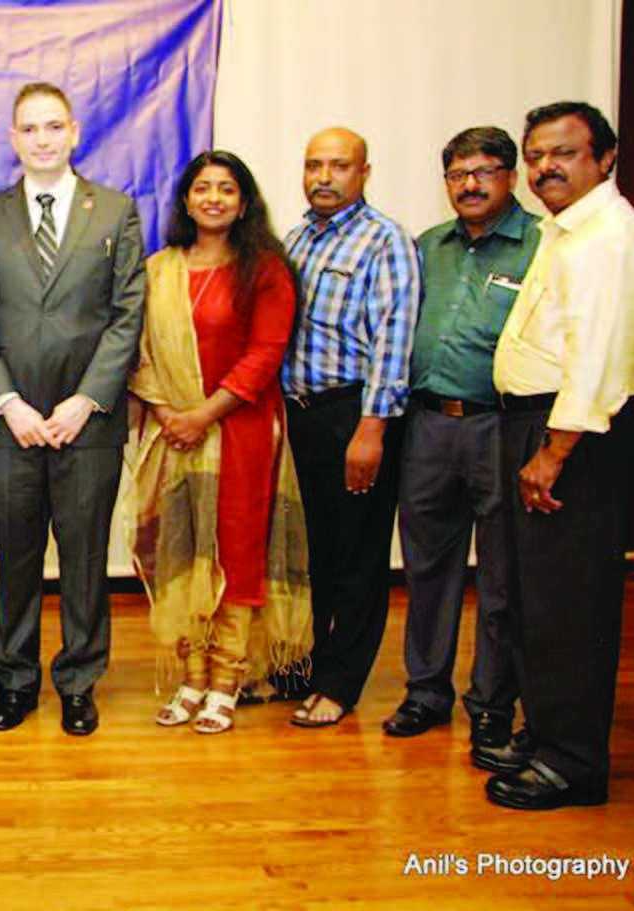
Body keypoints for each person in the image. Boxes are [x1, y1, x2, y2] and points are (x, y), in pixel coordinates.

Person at [485, 102, 634, 810]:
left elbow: (594, 361)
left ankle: (572, 763)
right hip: (545, 427)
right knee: (536, 602)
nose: (543, 168)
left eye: (562, 153)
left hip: (575, 436)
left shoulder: (608, 240)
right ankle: (548, 731)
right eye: (534, 155)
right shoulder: (566, 232)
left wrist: (554, 450)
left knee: (570, 606)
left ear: (605, 157)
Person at [0, 82, 145, 736]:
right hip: (6, 424)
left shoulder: (115, 211)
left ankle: (77, 680)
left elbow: (128, 315)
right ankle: (13, 676)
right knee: (11, 559)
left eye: (51, 126)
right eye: (28, 129)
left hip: (85, 423)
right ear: (12, 139)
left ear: (73, 132)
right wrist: (6, 401)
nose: (40, 138)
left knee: (84, 558)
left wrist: (86, 399)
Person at [131, 150, 313, 734]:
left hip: (241, 431)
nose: (213, 198)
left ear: (243, 202)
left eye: (226, 189)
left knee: (236, 552)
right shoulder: (159, 269)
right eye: (202, 188)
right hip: (173, 433)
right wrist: (167, 414)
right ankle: (191, 674)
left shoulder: (263, 269)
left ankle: (229, 678)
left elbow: (265, 355)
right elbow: (139, 352)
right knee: (183, 550)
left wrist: (202, 416)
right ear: (185, 199)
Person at [383, 127, 535, 756]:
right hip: (427, 428)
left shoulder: (541, 248)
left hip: (500, 428)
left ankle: (493, 706)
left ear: (512, 176)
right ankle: (426, 692)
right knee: (428, 571)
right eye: (457, 174)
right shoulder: (428, 246)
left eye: (485, 171)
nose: (470, 185)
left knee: (502, 578)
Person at [280, 127, 419, 728]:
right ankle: (310, 663)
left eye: (339, 166)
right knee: (314, 551)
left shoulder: (384, 241)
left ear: (364, 173)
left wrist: (372, 429)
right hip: (300, 414)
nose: (324, 177)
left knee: (358, 554)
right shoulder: (296, 237)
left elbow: (394, 340)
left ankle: (340, 683)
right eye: (314, 165)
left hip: (354, 414)